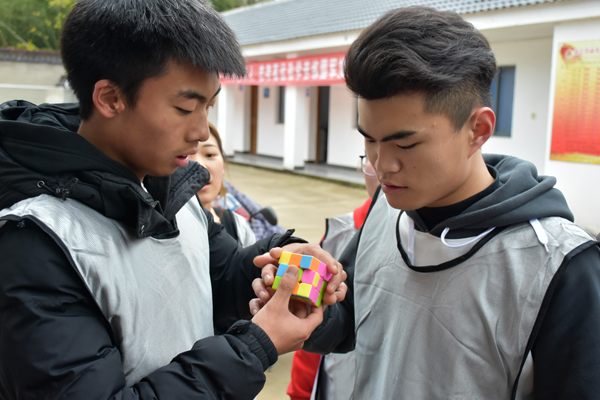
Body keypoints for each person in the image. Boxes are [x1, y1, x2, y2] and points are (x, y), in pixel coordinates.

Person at [0, 1, 347, 398]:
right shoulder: (34, 243)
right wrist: (253, 348)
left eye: (209, 107)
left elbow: (218, 275)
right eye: (185, 108)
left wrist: (279, 259)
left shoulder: (171, 191)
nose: (202, 132)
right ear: (110, 98)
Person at [253, 6, 600, 399]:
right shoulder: (385, 209)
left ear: (478, 130)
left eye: (405, 144)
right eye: (370, 139)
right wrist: (308, 305)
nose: (382, 165)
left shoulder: (558, 264)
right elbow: (352, 320)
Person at [287, 156, 378, 400]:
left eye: (401, 144)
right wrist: (301, 391)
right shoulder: (337, 235)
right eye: (372, 149)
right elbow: (313, 320)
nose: (384, 162)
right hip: (338, 384)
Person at [190, 122, 256, 247]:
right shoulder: (160, 235)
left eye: (210, 154)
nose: (201, 167)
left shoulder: (238, 227)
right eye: (184, 156)